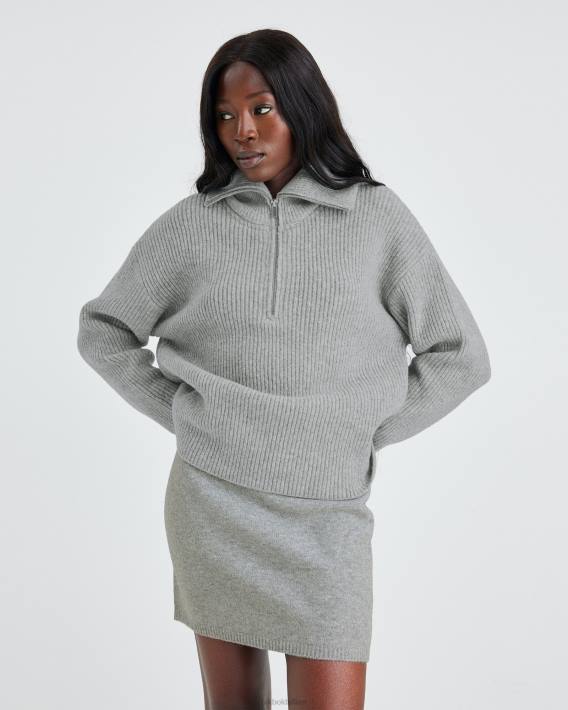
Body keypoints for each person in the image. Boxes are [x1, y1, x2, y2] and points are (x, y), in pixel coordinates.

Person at [76, 28, 491, 710]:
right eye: (224, 114)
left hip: (328, 519)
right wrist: (183, 411)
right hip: (213, 504)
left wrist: (360, 429)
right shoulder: (192, 225)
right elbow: (104, 330)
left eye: (261, 108)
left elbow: (460, 355)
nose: (242, 130)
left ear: (303, 106)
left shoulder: (377, 218)